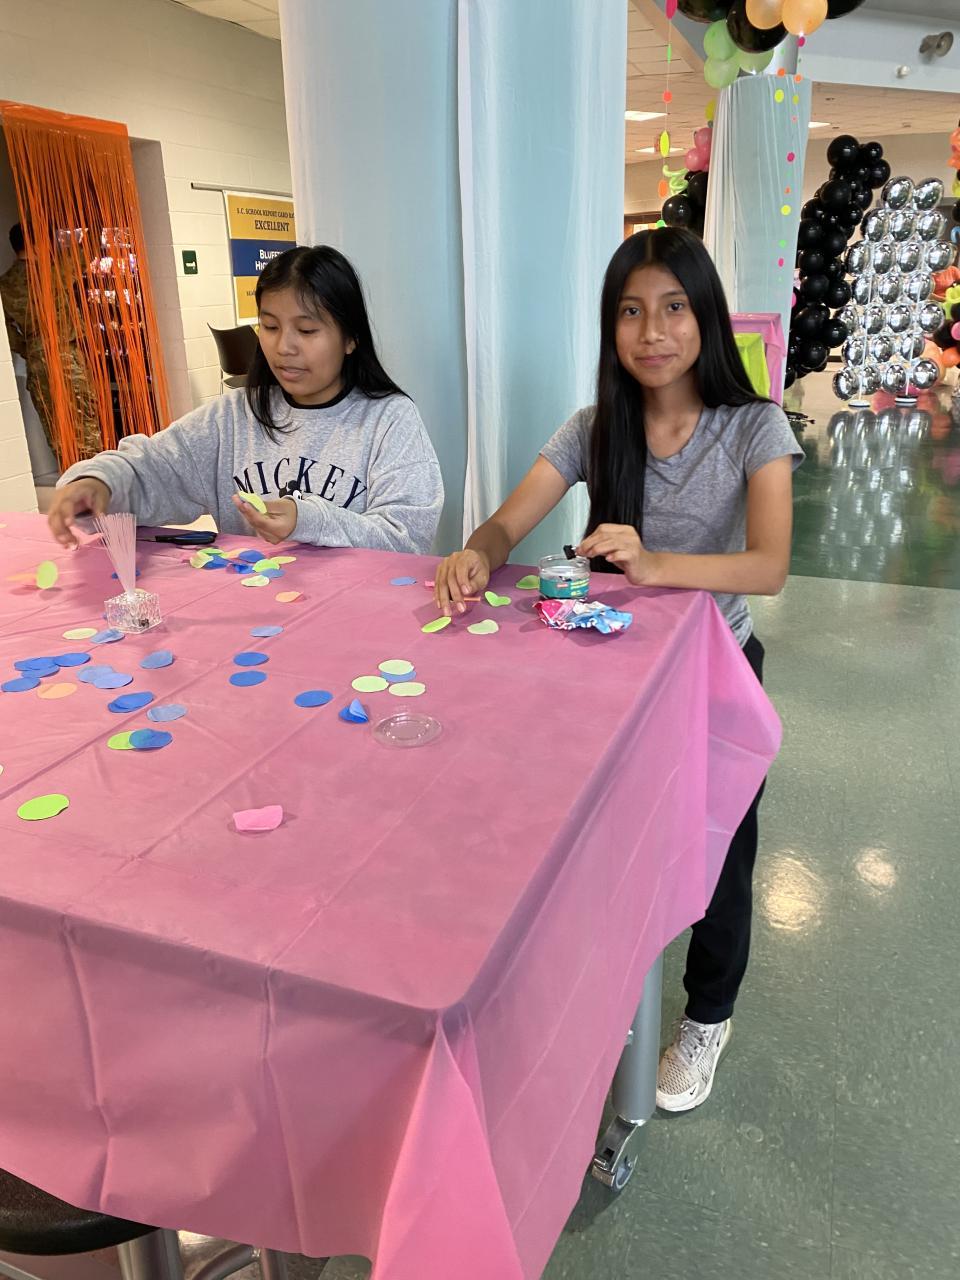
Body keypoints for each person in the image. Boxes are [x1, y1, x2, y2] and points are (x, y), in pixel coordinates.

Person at [434, 227, 803, 1113]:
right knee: (604, 844)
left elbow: (769, 566)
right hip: (613, 671)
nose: (653, 332)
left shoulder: (754, 426)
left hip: (716, 667)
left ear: (705, 316)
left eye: (673, 308)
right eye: (631, 313)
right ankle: (602, 997)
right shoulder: (596, 428)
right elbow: (509, 519)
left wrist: (654, 562)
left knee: (718, 850)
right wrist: (478, 551)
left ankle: (707, 1014)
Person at [47, 245, 443, 553]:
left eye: (306, 331)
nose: (284, 347)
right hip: (257, 618)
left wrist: (308, 520)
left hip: (356, 614)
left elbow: (407, 539)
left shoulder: (388, 419)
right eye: (269, 326)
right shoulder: (233, 416)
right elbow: (152, 469)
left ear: (351, 338)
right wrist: (100, 483)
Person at [0, 221, 101, 460]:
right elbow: (89, 249)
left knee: (57, 430)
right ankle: (95, 476)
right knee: (84, 428)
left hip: (37, 362)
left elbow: (8, 333)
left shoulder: (5, 284)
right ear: (38, 243)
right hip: (65, 357)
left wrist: (31, 348)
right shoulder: (52, 273)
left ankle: (71, 476)